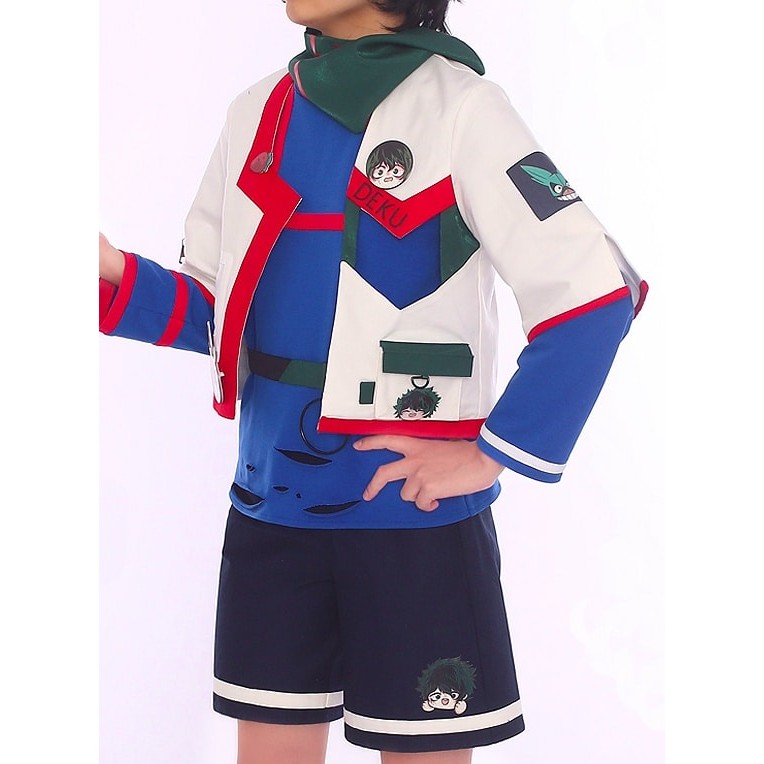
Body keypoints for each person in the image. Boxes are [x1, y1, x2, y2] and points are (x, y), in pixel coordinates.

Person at [99, 0, 647, 761]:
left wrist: (491, 452)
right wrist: (105, 273)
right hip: (270, 505)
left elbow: (598, 293)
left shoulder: (465, 108)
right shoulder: (257, 111)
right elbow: (220, 315)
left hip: (412, 517)